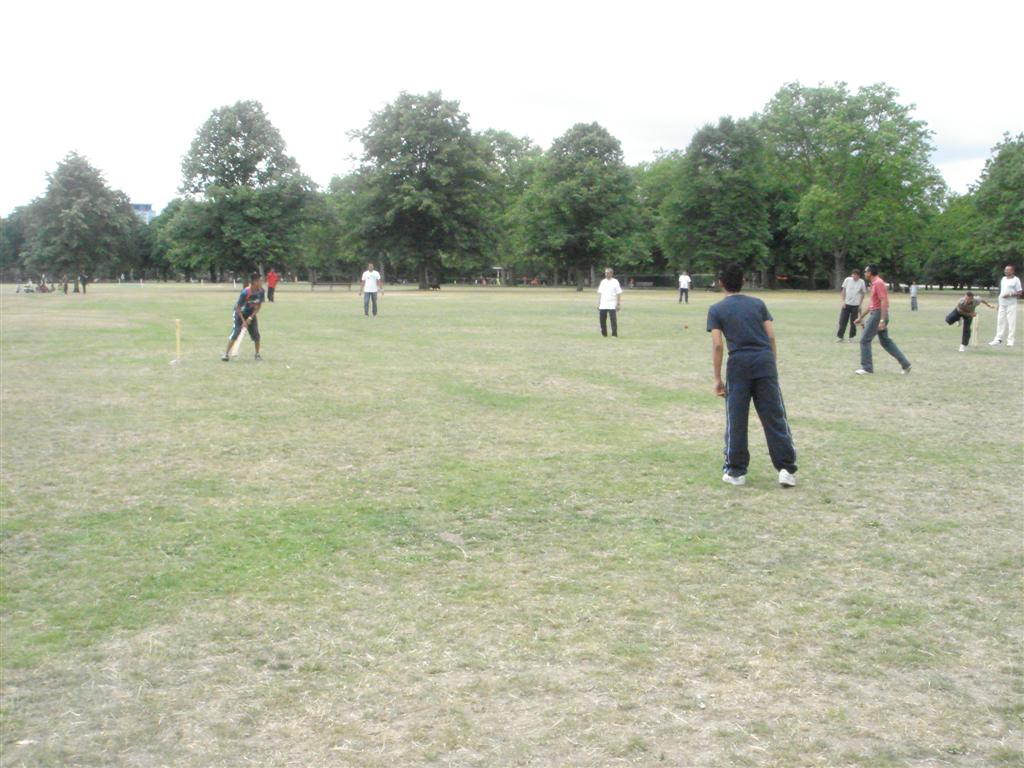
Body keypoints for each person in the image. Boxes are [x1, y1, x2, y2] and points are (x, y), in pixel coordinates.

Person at [707, 262, 797, 487]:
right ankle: (786, 468)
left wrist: (717, 378)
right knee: (774, 416)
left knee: (736, 418)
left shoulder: (717, 309)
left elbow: (718, 345)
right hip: (764, 362)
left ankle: (736, 471)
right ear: (743, 282)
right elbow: (771, 337)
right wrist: (771, 364)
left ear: (721, 284)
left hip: (739, 365)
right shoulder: (758, 304)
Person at [854, 265, 911, 375]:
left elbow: (884, 302)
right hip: (876, 313)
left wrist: (882, 320)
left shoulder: (878, 283)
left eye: (865, 271)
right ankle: (906, 364)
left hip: (878, 314)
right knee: (886, 342)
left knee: (864, 340)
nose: (864, 273)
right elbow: (872, 304)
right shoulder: (874, 284)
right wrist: (861, 317)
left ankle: (867, 368)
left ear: (870, 272)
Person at [222, 273, 264, 361]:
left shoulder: (261, 291)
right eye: (260, 281)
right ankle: (226, 354)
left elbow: (259, 306)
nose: (262, 282)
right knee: (236, 333)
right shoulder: (245, 292)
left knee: (256, 335)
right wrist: (243, 321)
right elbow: (237, 307)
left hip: (250, 314)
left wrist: (250, 318)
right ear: (255, 282)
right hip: (239, 313)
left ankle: (257, 354)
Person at [988, 264, 1021, 347]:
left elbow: (1020, 292)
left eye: (1008, 270)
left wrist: (1010, 294)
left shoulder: (1016, 280)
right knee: (1000, 321)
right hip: (1002, 304)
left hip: (1011, 304)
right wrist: (999, 303)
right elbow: (1002, 291)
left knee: (1011, 322)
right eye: (1005, 270)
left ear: (1012, 271)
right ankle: (998, 339)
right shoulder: (1003, 279)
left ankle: (1010, 340)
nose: (1006, 271)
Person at [836, 268, 867, 342]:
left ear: (859, 276)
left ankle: (851, 337)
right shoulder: (847, 280)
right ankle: (840, 337)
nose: (854, 276)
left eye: (856, 275)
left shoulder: (861, 282)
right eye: (853, 275)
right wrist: (843, 301)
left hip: (855, 305)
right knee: (842, 321)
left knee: (854, 322)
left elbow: (863, 293)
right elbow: (843, 291)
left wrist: (860, 304)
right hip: (846, 304)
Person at [597, 268, 622, 337]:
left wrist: (618, 303)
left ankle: (614, 334)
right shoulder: (603, 282)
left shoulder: (615, 282)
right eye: (605, 273)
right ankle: (604, 334)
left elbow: (618, 293)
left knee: (613, 320)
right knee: (602, 320)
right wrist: (599, 303)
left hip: (612, 304)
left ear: (611, 273)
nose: (606, 274)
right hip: (603, 304)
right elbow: (600, 293)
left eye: (608, 273)